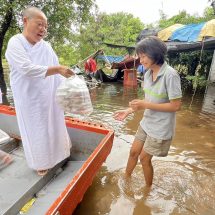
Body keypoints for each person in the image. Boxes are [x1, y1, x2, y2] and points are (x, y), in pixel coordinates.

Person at [5, 7, 74, 176]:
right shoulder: (16, 42)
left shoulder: (46, 47)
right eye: (39, 24)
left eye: (45, 26)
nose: (43, 29)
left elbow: (58, 74)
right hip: (29, 98)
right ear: (25, 21)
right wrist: (58, 69)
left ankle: (59, 155)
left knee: (54, 124)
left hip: (49, 95)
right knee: (36, 129)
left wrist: (70, 87)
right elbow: (27, 69)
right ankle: (40, 163)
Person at [114, 36, 182, 186]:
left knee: (144, 158)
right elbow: (148, 101)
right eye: (140, 56)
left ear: (156, 53)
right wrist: (128, 110)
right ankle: (126, 178)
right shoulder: (147, 73)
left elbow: (176, 106)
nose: (141, 60)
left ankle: (147, 191)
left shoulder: (170, 75)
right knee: (133, 152)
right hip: (147, 122)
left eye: (144, 56)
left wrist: (145, 105)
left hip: (160, 127)